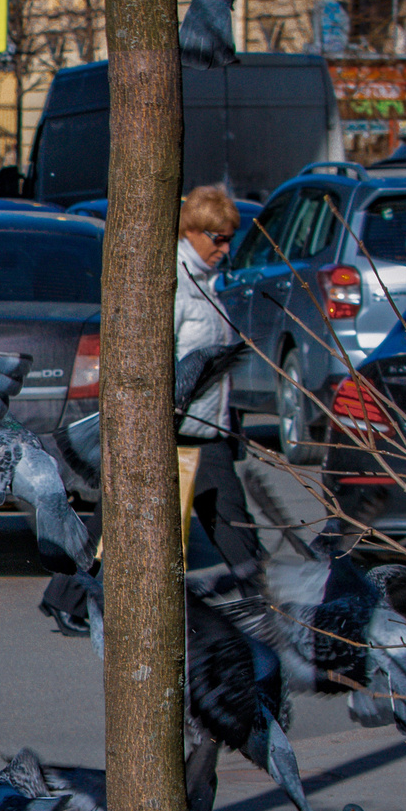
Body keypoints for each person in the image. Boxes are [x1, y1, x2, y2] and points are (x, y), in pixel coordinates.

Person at [176, 182, 259, 576]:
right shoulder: (176, 283)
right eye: (219, 238)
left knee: (229, 516)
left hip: (207, 426)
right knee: (117, 517)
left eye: (230, 240)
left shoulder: (206, 283)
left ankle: (260, 592)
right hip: (181, 427)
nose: (225, 249)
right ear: (192, 229)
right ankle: (261, 593)